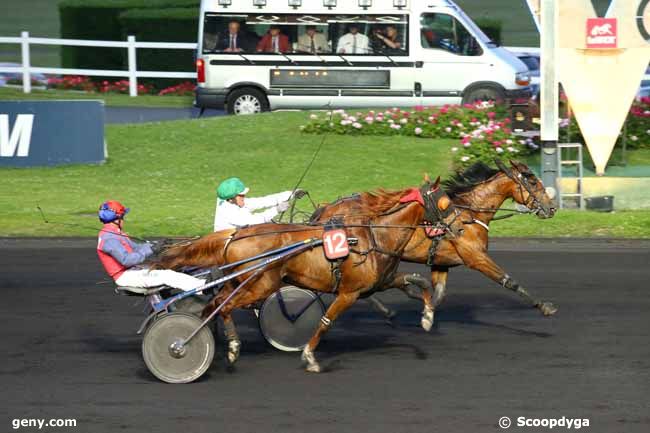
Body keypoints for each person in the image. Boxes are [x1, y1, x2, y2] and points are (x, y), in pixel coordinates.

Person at [96, 200, 204, 292]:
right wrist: (151, 249)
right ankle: (202, 287)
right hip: (125, 276)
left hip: (132, 271)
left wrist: (155, 245)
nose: (124, 220)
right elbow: (127, 260)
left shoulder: (114, 233)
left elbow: (136, 248)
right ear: (117, 219)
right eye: (123, 217)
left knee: (168, 266)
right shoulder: (109, 239)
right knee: (167, 275)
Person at [213, 177, 302, 232]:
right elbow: (255, 220)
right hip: (227, 245)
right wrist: (276, 210)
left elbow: (263, 201)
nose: (244, 196)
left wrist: (292, 194)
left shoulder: (234, 201)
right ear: (231, 198)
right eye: (241, 195)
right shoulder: (229, 212)